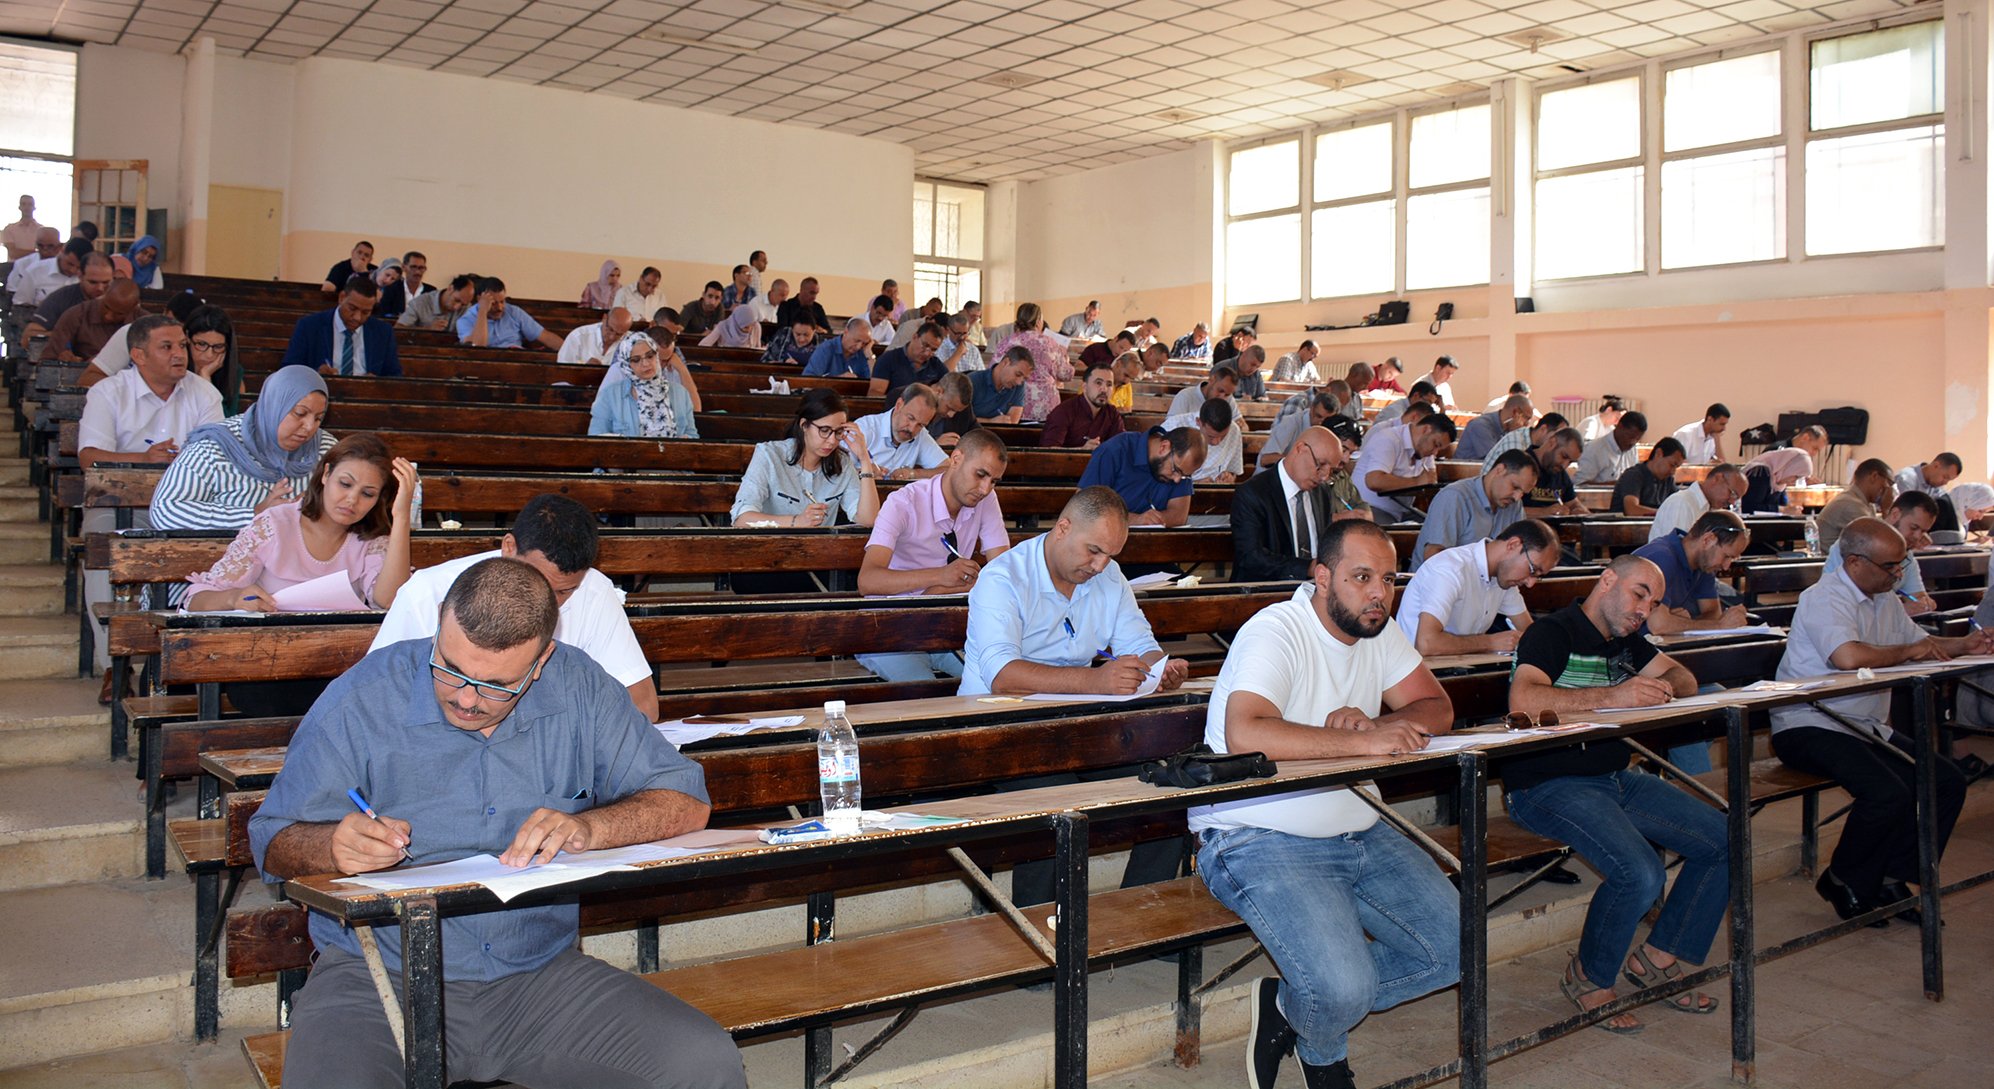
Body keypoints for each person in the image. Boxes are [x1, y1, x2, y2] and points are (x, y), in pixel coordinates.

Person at [252, 558, 743, 1089]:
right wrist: (332, 845)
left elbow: (686, 800)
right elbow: (274, 842)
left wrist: (593, 828)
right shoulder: (364, 696)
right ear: (440, 621)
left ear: (541, 661)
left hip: (537, 972)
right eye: (450, 669)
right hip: (379, 978)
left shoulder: (578, 686)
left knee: (702, 1062)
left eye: (496, 686)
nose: (466, 698)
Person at [1193, 519, 1459, 1089]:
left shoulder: (1377, 631)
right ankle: (1324, 1052)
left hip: (1359, 825)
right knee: (1343, 987)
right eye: (1361, 577)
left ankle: (1292, 1007)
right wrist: (1363, 742)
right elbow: (1247, 733)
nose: (1377, 594)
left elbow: (1437, 707)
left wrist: (1381, 723)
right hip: (1258, 833)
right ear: (1321, 577)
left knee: (1457, 948)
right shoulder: (1278, 629)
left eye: (1387, 580)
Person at [1503, 555, 1728, 1034]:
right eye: (1639, 593)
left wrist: (1655, 686)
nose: (1645, 608)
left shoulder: (1625, 640)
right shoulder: (1552, 633)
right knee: (1639, 871)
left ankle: (1657, 957)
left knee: (1724, 838)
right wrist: (1615, 696)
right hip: (1545, 784)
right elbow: (1524, 701)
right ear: (1607, 581)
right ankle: (1588, 975)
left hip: (1612, 777)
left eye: (1655, 601)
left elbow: (1685, 679)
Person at [1771, 517, 1987, 926]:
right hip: (1808, 722)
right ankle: (1843, 878)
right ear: (1855, 562)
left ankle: (1891, 877)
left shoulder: (1884, 597)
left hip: (1862, 726)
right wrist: (1911, 652)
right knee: (1888, 791)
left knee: (1946, 781)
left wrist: (1964, 644)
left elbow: (1918, 643)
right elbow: (1848, 657)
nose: (1898, 574)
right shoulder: (1824, 597)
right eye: (1890, 566)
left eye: (1901, 564)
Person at [375, 491, 660, 718]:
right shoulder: (426, 593)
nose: (547, 603)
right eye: (536, 580)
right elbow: (378, 698)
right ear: (508, 548)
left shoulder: (593, 590)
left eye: (564, 592)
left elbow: (643, 704)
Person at [77, 313, 227, 676]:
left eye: (181, 345)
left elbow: (221, 459)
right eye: (167, 347)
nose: (180, 354)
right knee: (103, 550)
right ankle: (116, 664)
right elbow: (89, 457)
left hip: (183, 508)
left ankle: (175, 663)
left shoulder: (204, 393)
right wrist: (143, 460)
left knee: (216, 547)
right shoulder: (108, 392)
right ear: (139, 355)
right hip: (118, 504)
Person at [187, 434, 416, 614]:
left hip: (341, 656)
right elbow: (195, 600)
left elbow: (388, 600)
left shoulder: (372, 540)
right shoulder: (274, 525)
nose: (352, 500)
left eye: (367, 494)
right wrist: (233, 598)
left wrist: (402, 517)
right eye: (345, 484)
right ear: (326, 474)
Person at [855, 429, 1011, 682]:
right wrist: (940, 577)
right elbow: (868, 581)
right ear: (956, 459)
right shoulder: (903, 502)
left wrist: (961, 586)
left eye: (994, 481)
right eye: (980, 475)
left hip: (945, 624)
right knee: (923, 691)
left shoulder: (986, 499)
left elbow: (1003, 568)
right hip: (889, 625)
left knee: (994, 680)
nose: (985, 488)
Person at [151, 365, 338, 532]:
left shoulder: (325, 449)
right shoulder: (216, 446)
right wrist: (255, 515)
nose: (309, 427)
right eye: (300, 413)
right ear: (274, 405)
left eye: (318, 418)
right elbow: (165, 510)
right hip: (220, 561)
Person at [1399, 519, 1560, 655]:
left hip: (1456, 670)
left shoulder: (1504, 577)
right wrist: (1490, 642)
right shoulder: (1450, 569)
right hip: (1412, 675)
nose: (1530, 583)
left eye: (1538, 577)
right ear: (1513, 545)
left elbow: (1529, 631)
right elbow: (1427, 643)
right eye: (1532, 570)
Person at [731, 388, 882, 529]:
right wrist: (797, 521)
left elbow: (869, 520)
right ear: (804, 425)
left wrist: (864, 459)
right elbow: (742, 519)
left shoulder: (842, 462)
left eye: (838, 432)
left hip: (818, 552)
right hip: (770, 549)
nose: (832, 441)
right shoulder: (769, 455)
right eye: (824, 430)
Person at [1231, 426, 1362, 582]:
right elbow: (1251, 558)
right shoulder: (1253, 493)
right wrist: (1308, 568)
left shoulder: (1322, 492)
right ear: (1300, 449)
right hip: (1265, 591)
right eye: (1320, 464)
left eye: (1331, 471)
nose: (1324, 477)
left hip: (1314, 589)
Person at [1410, 449, 1538, 570]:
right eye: (1515, 487)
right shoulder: (1455, 497)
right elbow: (1434, 557)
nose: (1517, 497)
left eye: (1523, 493)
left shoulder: (1514, 505)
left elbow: (1519, 553)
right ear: (1499, 470)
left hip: (1485, 586)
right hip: (1442, 583)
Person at [1632, 511, 1751, 634]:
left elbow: (1713, 613)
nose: (1726, 567)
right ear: (1707, 540)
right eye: (1726, 556)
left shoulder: (1704, 564)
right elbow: (1658, 625)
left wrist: (1677, 622)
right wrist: (1719, 625)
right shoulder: (1661, 557)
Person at [1823, 492, 1940, 616]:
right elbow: (1844, 604)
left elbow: (1917, 594)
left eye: (1923, 532)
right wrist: (1900, 612)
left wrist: (1924, 603)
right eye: (1913, 528)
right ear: (1895, 514)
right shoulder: (1856, 543)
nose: (1917, 537)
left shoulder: (1906, 555)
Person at [1077, 425, 1207, 527]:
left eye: (1185, 476)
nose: (1177, 479)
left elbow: (1179, 516)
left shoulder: (1182, 466)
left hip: (1156, 549)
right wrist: (1135, 519)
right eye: (1175, 470)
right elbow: (1084, 507)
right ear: (1164, 447)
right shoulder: (1114, 450)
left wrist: (1153, 520)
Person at [588, 332, 700, 440]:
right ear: (626, 365)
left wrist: (686, 439)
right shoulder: (609, 395)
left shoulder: (680, 392)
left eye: (650, 356)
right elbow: (597, 438)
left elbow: (692, 435)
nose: (646, 364)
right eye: (636, 360)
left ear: (656, 356)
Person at [283, 276, 402, 377]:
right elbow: (290, 369)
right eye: (352, 308)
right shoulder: (310, 326)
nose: (357, 317)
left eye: (366, 312)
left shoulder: (383, 332)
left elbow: (394, 376)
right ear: (341, 298)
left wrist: (376, 383)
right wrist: (315, 375)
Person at [1354, 412, 1457, 522]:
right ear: (1426, 429)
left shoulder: (1424, 449)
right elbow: (1374, 481)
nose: (1435, 452)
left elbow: (1430, 479)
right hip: (1369, 508)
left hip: (1401, 511)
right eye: (1436, 444)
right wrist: (1416, 482)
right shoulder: (1388, 439)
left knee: (1438, 526)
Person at [991, 303, 1071, 422]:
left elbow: (993, 369)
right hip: (1045, 405)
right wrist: (1066, 358)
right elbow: (1066, 374)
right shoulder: (1051, 343)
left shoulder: (1008, 341)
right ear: (1038, 321)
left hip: (1013, 403)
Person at [855, 384, 946, 481]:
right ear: (899, 405)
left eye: (921, 425)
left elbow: (948, 469)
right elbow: (839, 471)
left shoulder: (921, 435)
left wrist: (914, 473)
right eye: (910, 418)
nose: (912, 429)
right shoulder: (865, 429)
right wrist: (864, 472)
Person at [47, 277, 144, 363]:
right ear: (104, 293)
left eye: (119, 313)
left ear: (134, 307)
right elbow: (48, 361)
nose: (108, 316)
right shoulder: (77, 315)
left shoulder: (146, 325)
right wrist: (66, 360)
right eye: (106, 307)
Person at [457, 277, 563, 351]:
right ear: (480, 299)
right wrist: (482, 312)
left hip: (517, 363)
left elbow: (546, 336)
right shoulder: (465, 320)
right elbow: (478, 348)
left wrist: (569, 351)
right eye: (493, 303)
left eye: (502, 301)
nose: (499, 308)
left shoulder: (513, 312)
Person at [1038, 359, 1125, 449]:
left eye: (1109, 384)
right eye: (1098, 383)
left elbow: (1122, 446)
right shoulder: (1064, 411)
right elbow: (1048, 451)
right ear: (1084, 387)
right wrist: (1082, 450)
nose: (1104, 389)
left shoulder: (1112, 413)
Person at [1648, 462, 1745, 541]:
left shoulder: (1709, 509)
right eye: (1732, 493)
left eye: (1736, 499)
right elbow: (1675, 552)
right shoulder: (1682, 503)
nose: (1732, 502)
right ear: (1717, 478)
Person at [1817, 457, 1896, 549]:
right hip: (1832, 562)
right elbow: (1880, 545)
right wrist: (1886, 510)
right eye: (1889, 483)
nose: (1889, 490)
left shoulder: (1865, 503)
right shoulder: (1851, 505)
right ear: (1874, 476)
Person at [1162, 398, 1242, 484]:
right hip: (1178, 490)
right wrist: (1193, 484)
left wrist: (1229, 478)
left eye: (1223, 436)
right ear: (1199, 422)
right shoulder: (1173, 426)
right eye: (1211, 436)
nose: (1216, 442)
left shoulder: (1234, 430)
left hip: (1217, 492)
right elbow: (1159, 476)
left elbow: (1234, 471)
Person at [1258, 390, 1337, 469]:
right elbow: (1266, 460)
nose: (1321, 422)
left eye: (1327, 420)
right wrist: (1302, 461)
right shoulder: (1290, 423)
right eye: (1318, 416)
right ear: (1311, 409)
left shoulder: (1332, 428)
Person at [868, 321, 945, 400]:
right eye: (925, 345)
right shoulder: (888, 359)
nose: (927, 353)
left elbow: (949, 388)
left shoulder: (935, 364)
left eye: (933, 350)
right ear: (915, 337)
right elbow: (874, 394)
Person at [1520, 426, 1588, 516]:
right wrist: (1544, 512)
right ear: (1552, 443)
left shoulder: (1560, 473)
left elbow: (1572, 503)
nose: (1565, 465)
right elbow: (1508, 511)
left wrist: (1577, 510)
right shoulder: (1521, 464)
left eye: (1571, 462)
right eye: (1564, 456)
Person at [1613, 439, 1685, 517]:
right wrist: (1664, 513)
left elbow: (1680, 505)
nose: (1673, 472)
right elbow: (1632, 510)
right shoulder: (1634, 475)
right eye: (1672, 465)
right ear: (1658, 454)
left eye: (1676, 467)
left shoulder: (1668, 480)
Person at [1573, 411, 1649, 485]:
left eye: (1637, 439)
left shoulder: (1632, 449)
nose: (1633, 442)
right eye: (1630, 437)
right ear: (1620, 427)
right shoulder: (1595, 449)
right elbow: (1579, 484)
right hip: (1597, 497)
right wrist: (1617, 485)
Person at [1453, 393, 1535, 462]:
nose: (1526, 424)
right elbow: (1498, 460)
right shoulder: (1481, 426)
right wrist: (1514, 435)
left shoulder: (1507, 428)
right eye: (1526, 418)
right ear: (1515, 412)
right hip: (1465, 475)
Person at [1481, 411, 1568, 470]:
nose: (1558, 442)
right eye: (1557, 436)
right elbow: (1515, 476)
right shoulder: (1516, 441)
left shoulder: (1536, 447)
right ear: (1543, 429)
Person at [1739, 447, 1813, 515]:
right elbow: (1749, 507)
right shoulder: (1761, 472)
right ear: (1789, 467)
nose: (1795, 481)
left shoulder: (1780, 478)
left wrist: (1792, 510)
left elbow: (1782, 504)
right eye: (1796, 476)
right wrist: (1783, 510)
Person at [970, 345, 1033, 424]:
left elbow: (1012, 423)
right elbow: (958, 420)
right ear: (1005, 362)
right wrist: (990, 421)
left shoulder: (1019, 386)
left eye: (1024, 378)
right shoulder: (973, 381)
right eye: (1017, 374)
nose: (1019, 382)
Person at [802, 316, 874, 379]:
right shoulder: (826, 348)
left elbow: (874, 383)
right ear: (846, 332)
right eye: (856, 340)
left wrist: (870, 356)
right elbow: (808, 379)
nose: (859, 347)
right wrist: (839, 379)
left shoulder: (864, 352)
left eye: (864, 343)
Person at [398, 273, 475, 331]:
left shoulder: (467, 308)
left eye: (463, 304)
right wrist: (427, 329)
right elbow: (398, 328)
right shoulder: (421, 302)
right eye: (456, 300)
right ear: (450, 288)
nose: (457, 307)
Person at [558, 307, 633, 365]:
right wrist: (584, 369)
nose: (612, 337)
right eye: (610, 329)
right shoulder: (578, 336)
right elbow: (561, 370)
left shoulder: (632, 342)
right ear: (604, 318)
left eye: (619, 334)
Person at [374, 251, 431, 322]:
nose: (417, 272)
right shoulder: (391, 290)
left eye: (421, 268)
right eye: (413, 267)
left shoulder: (431, 292)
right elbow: (383, 316)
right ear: (404, 267)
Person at [1168, 365, 1239, 419]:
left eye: (1227, 394)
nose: (1222, 398)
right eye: (1220, 390)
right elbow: (1171, 426)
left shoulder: (1229, 399)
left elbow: (1241, 425)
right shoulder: (1185, 396)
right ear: (1211, 380)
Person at [930, 372, 978, 446]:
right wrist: (934, 445)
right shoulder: (914, 400)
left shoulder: (962, 407)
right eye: (949, 408)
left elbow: (977, 434)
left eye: (956, 411)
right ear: (939, 391)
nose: (951, 415)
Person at [1371, 380, 1439, 431]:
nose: (1429, 407)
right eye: (1427, 402)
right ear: (1416, 395)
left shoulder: (1415, 412)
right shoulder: (1395, 411)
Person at [1894, 452, 1962, 500]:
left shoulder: (1936, 486)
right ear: (1936, 466)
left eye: (1949, 480)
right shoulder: (1907, 478)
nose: (1945, 483)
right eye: (1945, 477)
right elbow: (1906, 509)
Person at [1, 194, 39, 260]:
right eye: (23, 204)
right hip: (14, 268)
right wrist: (38, 253)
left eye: (30, 204)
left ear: (34, 207)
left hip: (35, 268)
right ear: (19, 207)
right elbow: (13, 253)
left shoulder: (41, 230)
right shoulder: (9, 229)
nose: (27, 207)